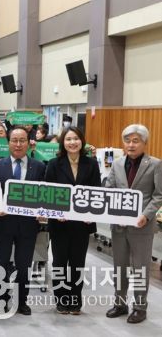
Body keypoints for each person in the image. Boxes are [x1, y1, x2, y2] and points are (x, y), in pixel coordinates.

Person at [105, 124, 162, 324]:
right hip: (119, 225)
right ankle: (120, 304)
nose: (131, 145)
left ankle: (139, 307)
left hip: (142, 226)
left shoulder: (155, 164)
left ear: (144, 143)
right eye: (127, 141)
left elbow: (158, 195)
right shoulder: (117, 163)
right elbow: (109, 188)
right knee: (119, 266)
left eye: (136, 141)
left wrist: (146, 215)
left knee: (140, 268)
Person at [0, 126, 46, 315]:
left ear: (29, 143)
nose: (18, 144)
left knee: (24, 265)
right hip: (3, 224)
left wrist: (42, 211)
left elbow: (43, 195)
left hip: (28, 225)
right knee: (1, 263)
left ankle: (22, 301)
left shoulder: (39, 167)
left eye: (22, 140)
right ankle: (1, 299)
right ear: (8, 143)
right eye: (14, 140)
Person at [44, 126, 100, 315]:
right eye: (68, 139)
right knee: (59, 263)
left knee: (77, 264)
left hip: (82, 224)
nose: (72, 142)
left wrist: (91, 214)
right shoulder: (54, 164)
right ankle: (61, 300)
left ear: (82, 141)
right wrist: (55, 212)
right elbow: (48, 192)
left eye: (76, 138)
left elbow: (97, 192)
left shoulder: (91, 164)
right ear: (63, 143)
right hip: (60, 223)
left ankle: (75, 300)